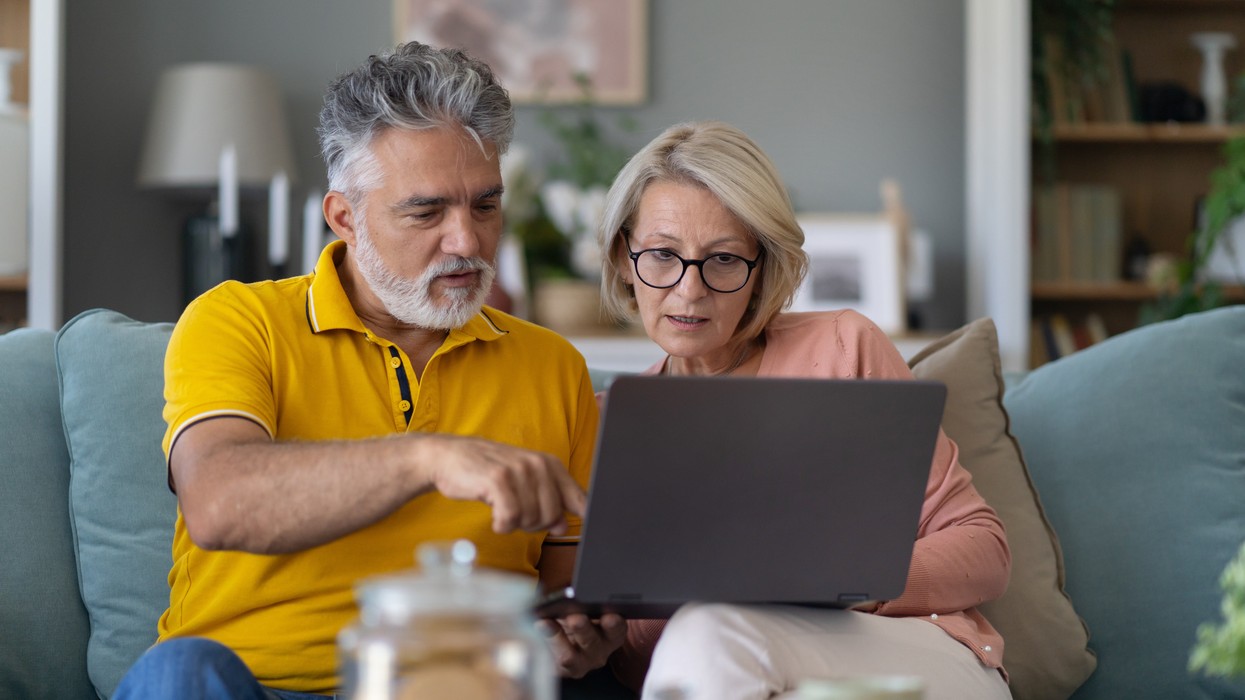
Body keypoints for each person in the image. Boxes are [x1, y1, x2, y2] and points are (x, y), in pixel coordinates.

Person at [112, 42, 628, 699]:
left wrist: (575, 639)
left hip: (452, 686)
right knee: (180, 675)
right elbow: (218, 503)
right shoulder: (238, 320)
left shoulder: (552, 366)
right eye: (426, 212)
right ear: (344, 218)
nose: (467, 241)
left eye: (485, 206)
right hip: (253, 686)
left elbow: (565, 585)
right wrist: (427, 459)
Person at [595, 121, 1012, 700]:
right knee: (706, 637)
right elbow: (640, 655)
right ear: (624, 257)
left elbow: (986, 549)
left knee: (710, 633)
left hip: (913, 651)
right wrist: (595, 639)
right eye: (663, 255)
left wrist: (844, 582)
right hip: (736, 675)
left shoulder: (842, 347)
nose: (690, 290)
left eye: (723, 260)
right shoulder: (606, 424)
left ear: (762, 267)